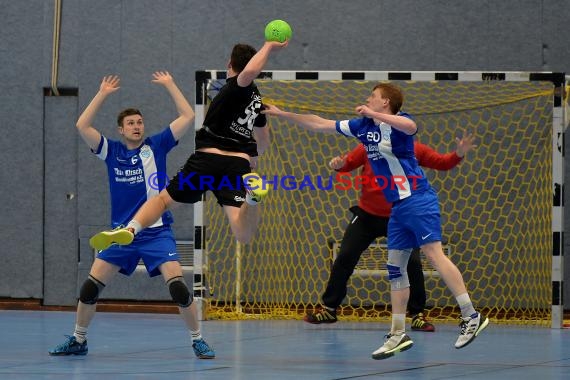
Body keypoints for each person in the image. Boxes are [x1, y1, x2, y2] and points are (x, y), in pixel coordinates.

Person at [262, 82, 488, 360]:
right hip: (397, 208)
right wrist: (283, 114)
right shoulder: (362, 127)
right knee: (395, 268)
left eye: (373, 97)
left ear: (385, 103)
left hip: (417, 198)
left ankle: (470, 315)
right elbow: (319, 124)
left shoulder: (399, 123)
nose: (368, 99)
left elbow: (411, 127)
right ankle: (397, 333)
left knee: (433, 253)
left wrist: (375, 115)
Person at [49, 72, 215, 359]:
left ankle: (198, 339)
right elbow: (81, 125)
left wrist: (170, 85)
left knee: (178, 288)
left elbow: (187, 115)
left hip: (156, 231)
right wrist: (101, 93)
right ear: (121, 130)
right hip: (121, 234)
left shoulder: (157, 144)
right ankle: (78, 339)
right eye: (130, 124)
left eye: (139, 122)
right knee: (89, 287)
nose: (137, 127)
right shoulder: (110, 151)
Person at [88, 41, 288, 252]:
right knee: (243, 234)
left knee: (163, 201)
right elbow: (264, 143)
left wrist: (268, 46)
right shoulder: (257, 102)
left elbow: (248, 73)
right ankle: (253, 199)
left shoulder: (234, 87)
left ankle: (130, 230)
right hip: (238, 164)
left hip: (207, 160)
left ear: (229, 63)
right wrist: (253, 156)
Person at [305, 136, 476, 334]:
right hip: (367, 216)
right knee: (345, 256)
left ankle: (417, 314)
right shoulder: (369, 147)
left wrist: (459, 153)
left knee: (412, 263)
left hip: (399, 216)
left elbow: (442, 162)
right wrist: (339, 164)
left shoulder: (414, 149)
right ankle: (329, 309)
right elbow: (348, 163)